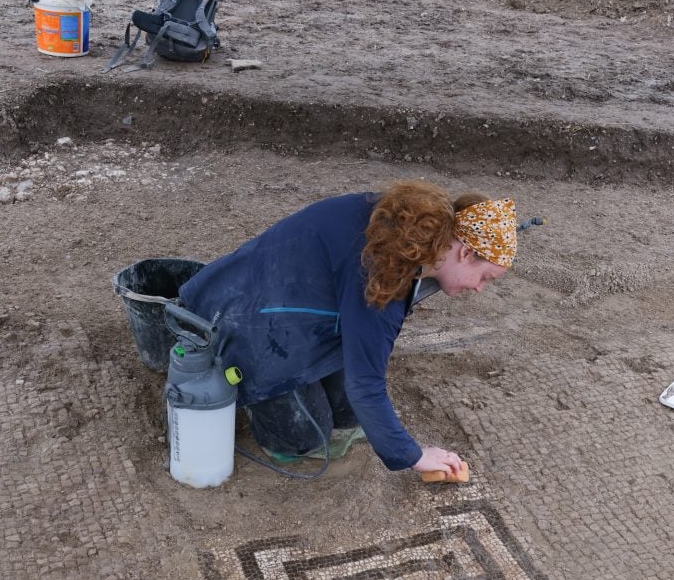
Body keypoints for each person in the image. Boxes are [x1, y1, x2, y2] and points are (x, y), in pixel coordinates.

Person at [178, 181, 517, 476]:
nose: (479, 289)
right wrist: (413, 456)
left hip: (267, 292)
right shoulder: (386, 275)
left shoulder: (407, 222)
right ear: (465, 252)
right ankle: (252, 398)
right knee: (304, 439)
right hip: (238, 320)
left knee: (347, 415)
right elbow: (366, 383)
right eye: (485, 277)